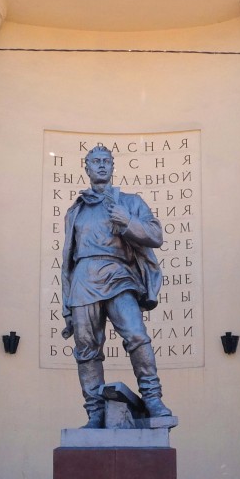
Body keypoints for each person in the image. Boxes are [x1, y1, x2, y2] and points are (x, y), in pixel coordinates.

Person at [60, 144, 174, 428]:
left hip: (119, 273)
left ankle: (153, 399)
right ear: (86, 168)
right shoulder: (76, 210)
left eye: (106, 161)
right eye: (95, 161)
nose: (101, 165)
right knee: (86, 349)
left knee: (136, 335)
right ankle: (95, 413)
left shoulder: (130, 202)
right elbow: (68, 259)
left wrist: (128, 222)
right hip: (84, 278)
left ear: (112, 167)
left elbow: (155, 236)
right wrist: (66, 300)